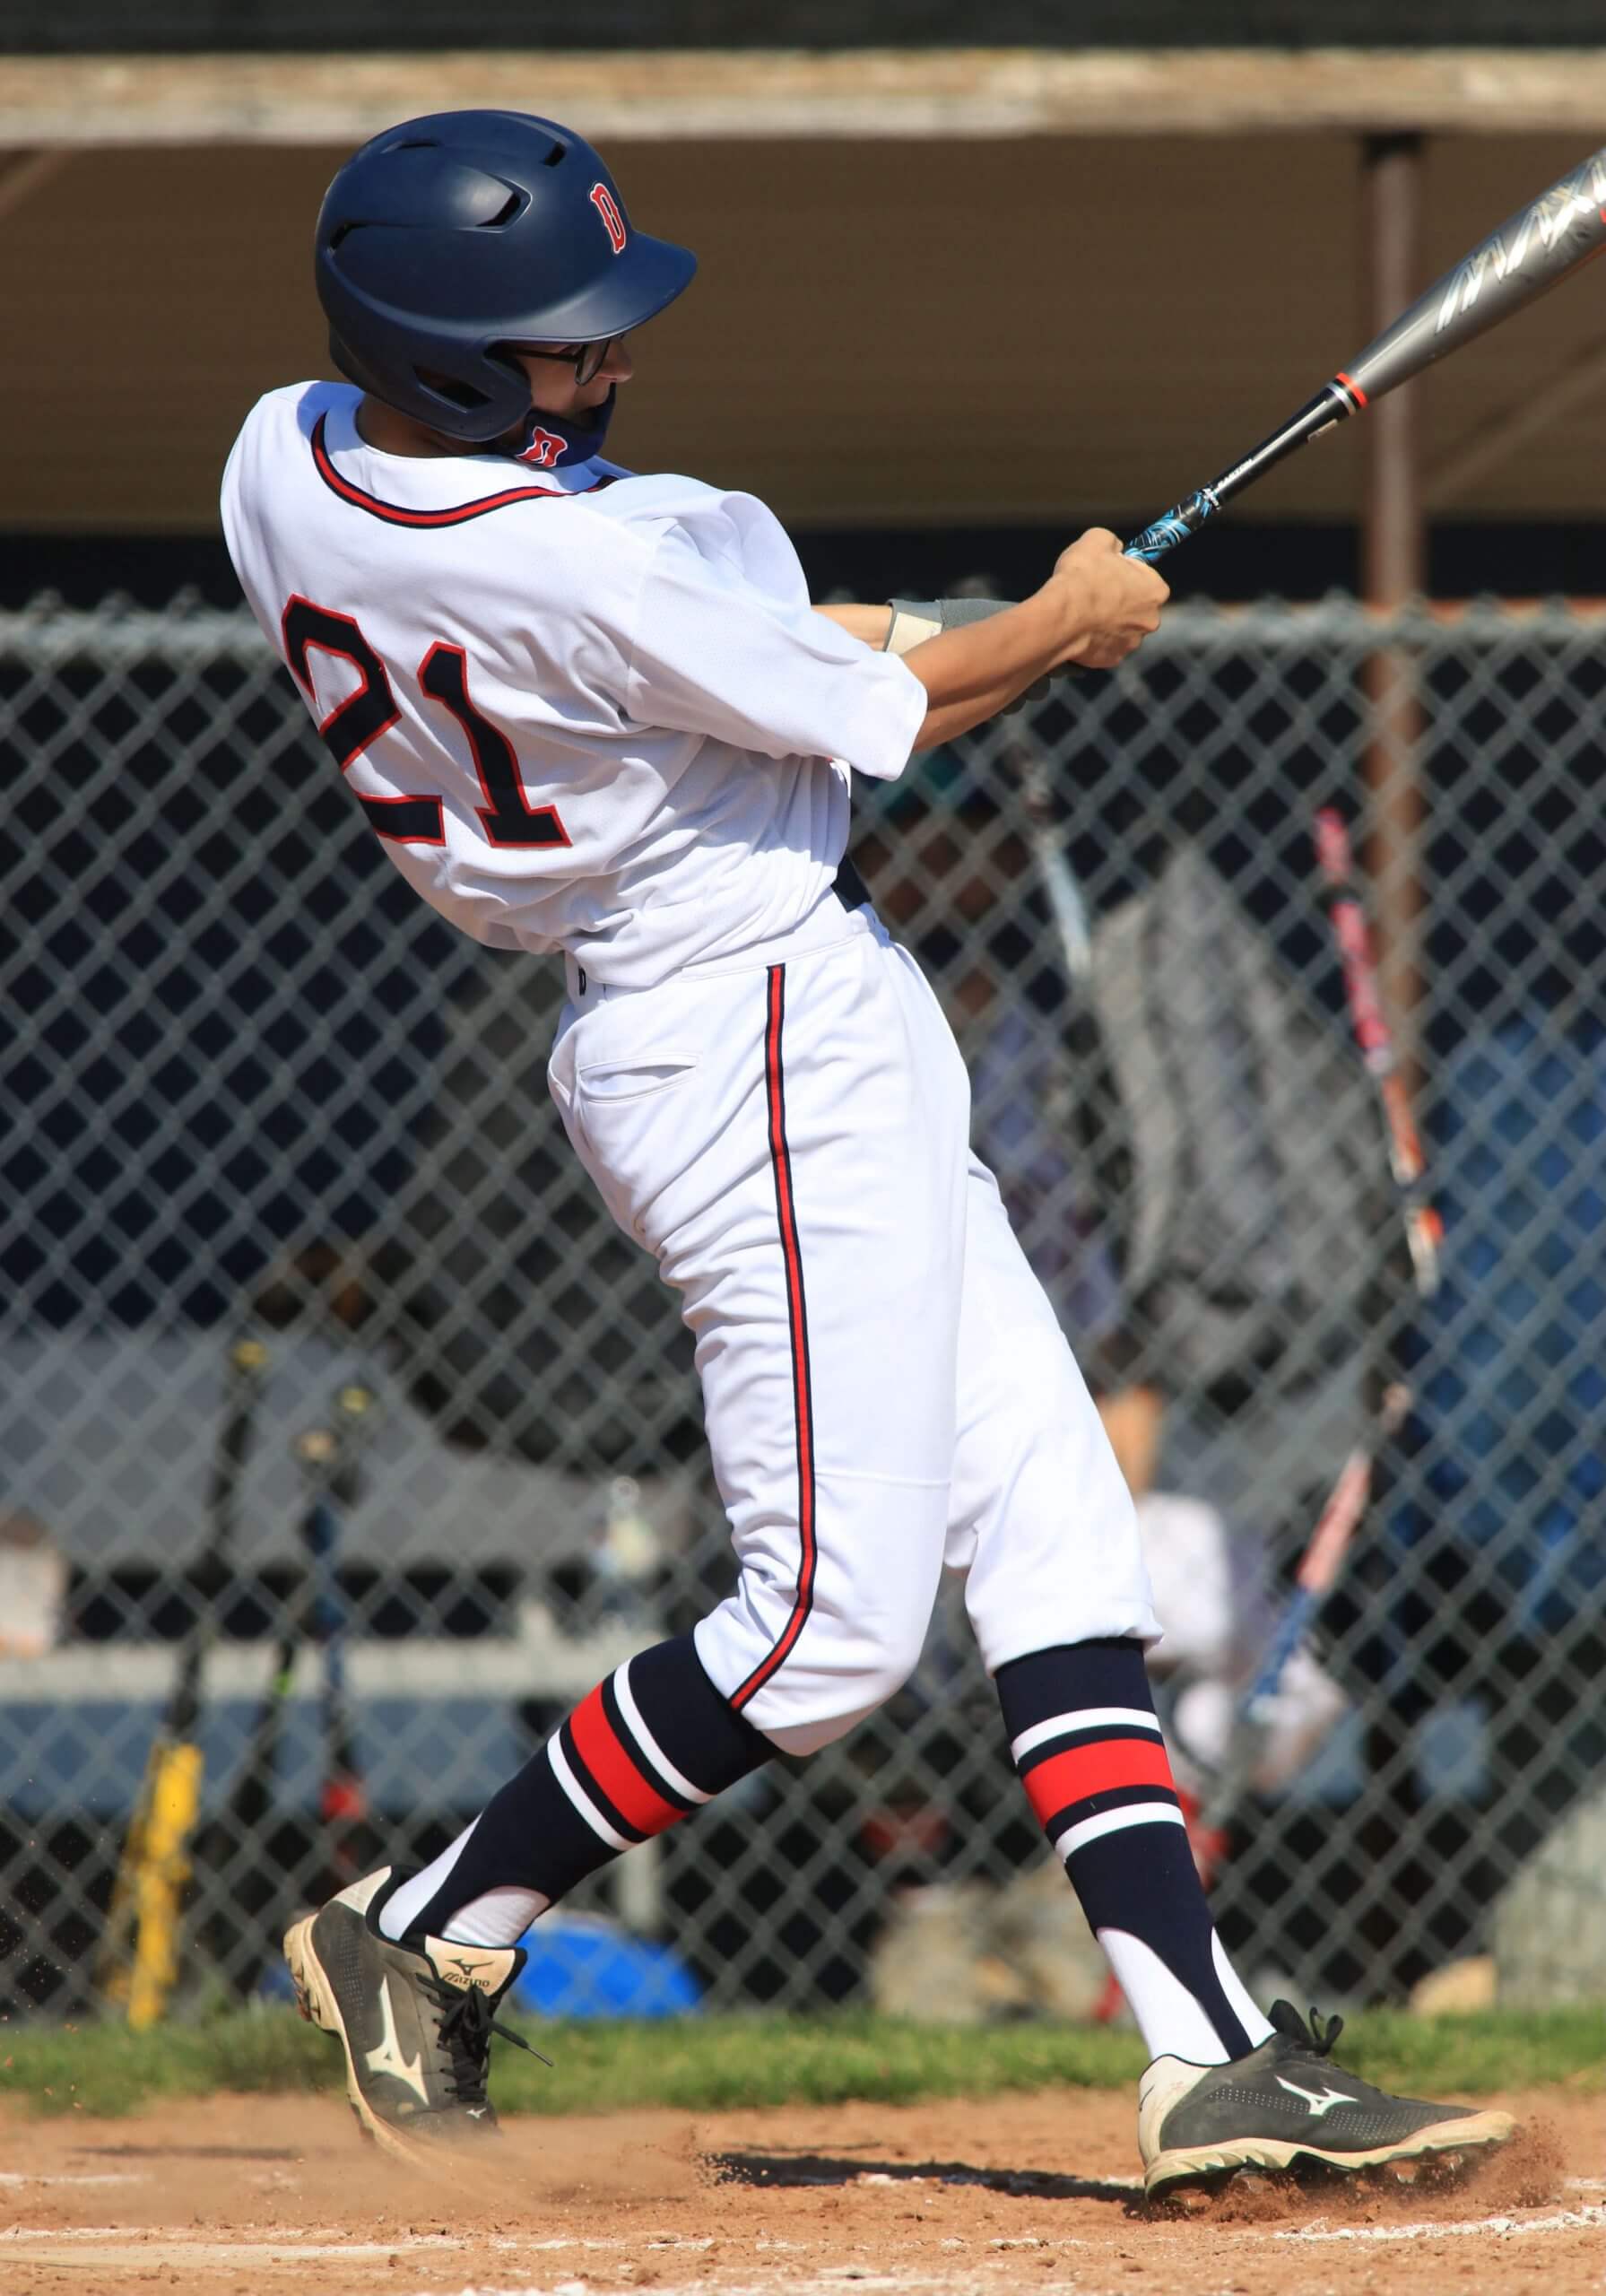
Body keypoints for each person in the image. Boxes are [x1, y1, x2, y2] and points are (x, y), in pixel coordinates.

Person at [219, 108, 1512, 2196]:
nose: (604, 364)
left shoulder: (284, 452)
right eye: (560, 346)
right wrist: (1063, 623)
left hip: (765, 1003)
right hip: (738, 1034)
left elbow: (761, 652)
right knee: (825, 1624)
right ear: (450, 355)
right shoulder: (579, 555)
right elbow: (887, 711)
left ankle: (1202, 2048)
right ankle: (431, 1925)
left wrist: (929, 624)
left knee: (1057, 1528)